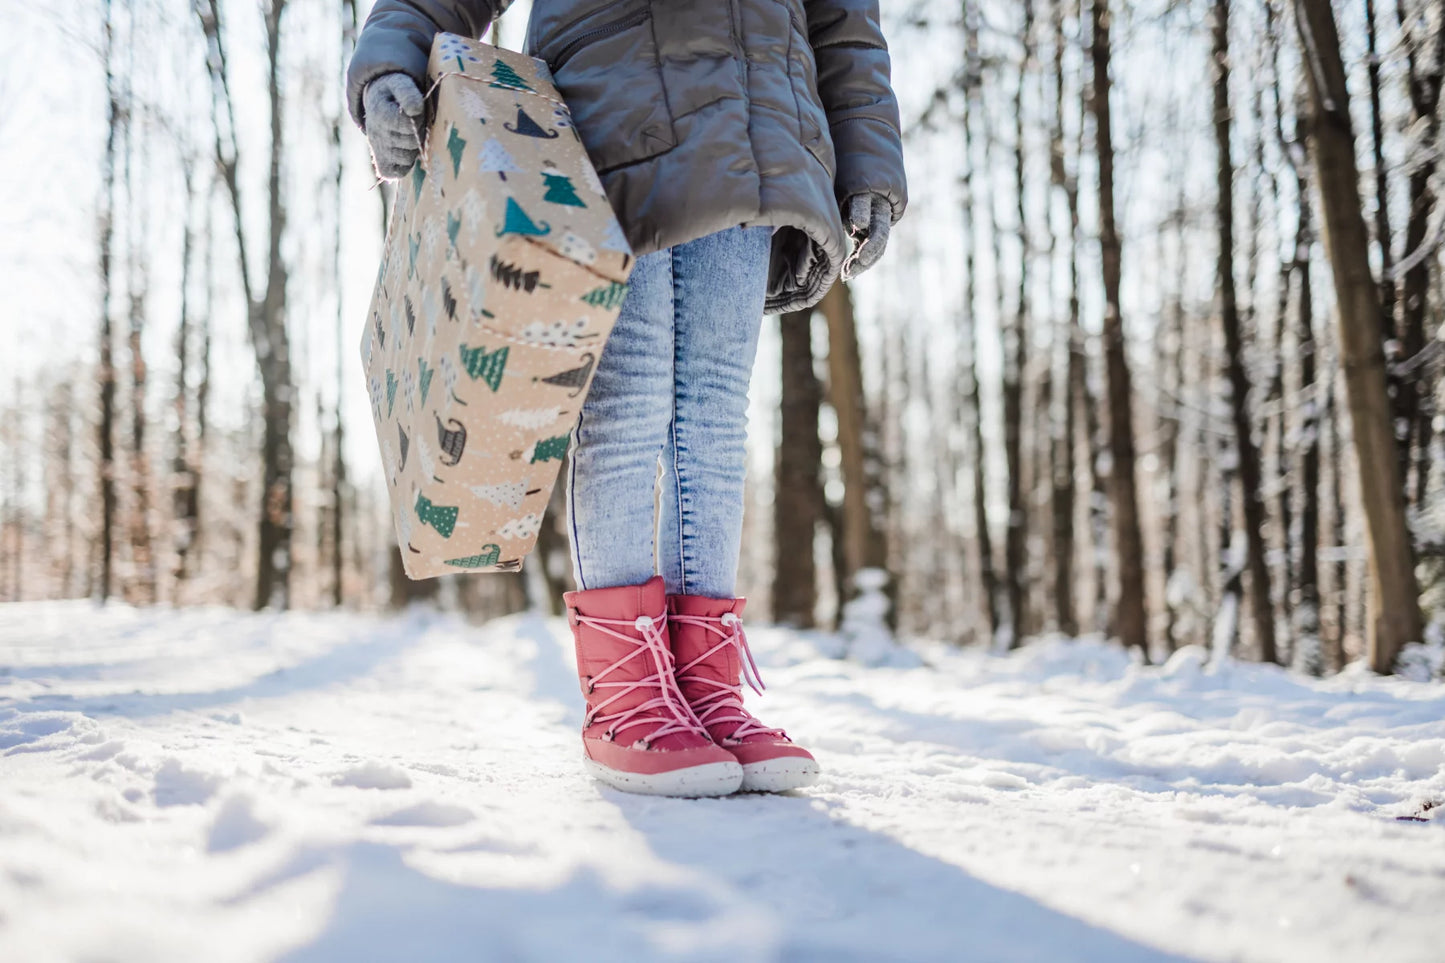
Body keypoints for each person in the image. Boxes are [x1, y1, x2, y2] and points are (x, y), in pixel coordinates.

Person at [347, 0, 906, 797]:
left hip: (759, 131)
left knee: (714, 417)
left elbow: (844, 24)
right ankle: (625, 697)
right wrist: (387, 63)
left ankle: (704, 688)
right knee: (628, 402)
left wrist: (869, 162)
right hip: (612, 119)